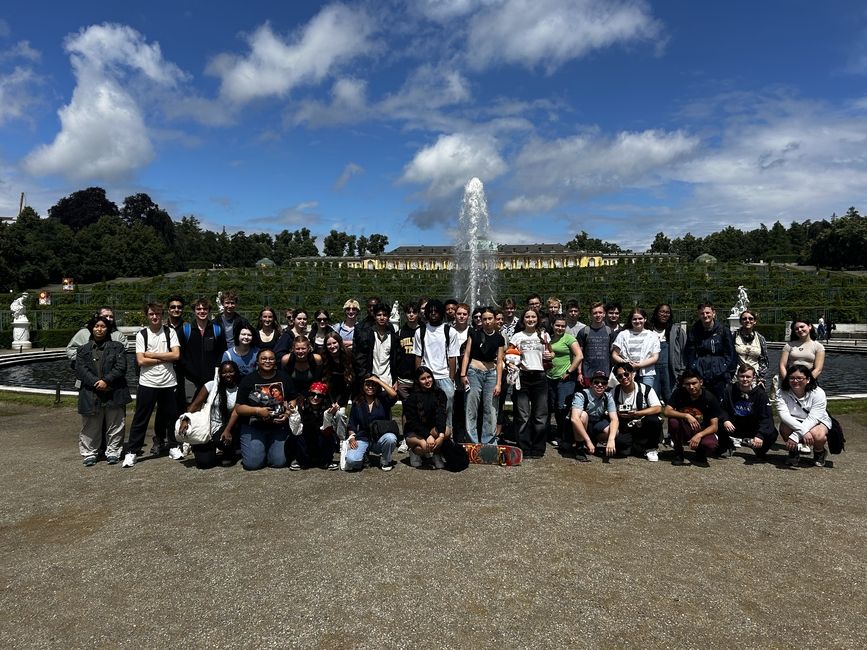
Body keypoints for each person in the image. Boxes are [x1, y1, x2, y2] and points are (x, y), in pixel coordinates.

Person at [122, 303, 182, 467]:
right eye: (151, 314)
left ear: (162, 315)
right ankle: (132, 451)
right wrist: (163, 358)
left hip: (168, 382)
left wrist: (152, 355)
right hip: (147, 382)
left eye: (157, 313)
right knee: (141, 418)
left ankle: (173, 445)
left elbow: (176, 355)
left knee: (171, 417)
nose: (155, 317)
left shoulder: (170, 332)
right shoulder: (142, 334)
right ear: (147, 316)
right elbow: (141, 360)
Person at [75, 315, 132, 466]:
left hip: (114, 390)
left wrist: (107, 380)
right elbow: (81, 369)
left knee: (116, 423)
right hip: (91, 391)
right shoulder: (83, 349)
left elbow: (121, 367)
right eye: (96, 326)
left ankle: (113, 451)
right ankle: (89, 452)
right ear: (91, 329)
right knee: (90, 424)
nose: (99, 329)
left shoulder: (117, 347)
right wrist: (96, 382)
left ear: (108, 329)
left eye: (103, 326)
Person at [234, 349, 297, 470]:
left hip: (278, 426)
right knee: (253, 464)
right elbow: (239, 408)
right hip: (254, 427)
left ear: (275, 361)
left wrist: (288, 413)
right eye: (263, 358)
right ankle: (259, 448)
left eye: (271, 358)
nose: (267, 361)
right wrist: (257, 411)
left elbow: (292, 399)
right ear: (257, 361)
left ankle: (269, 448)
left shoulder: (284, 377)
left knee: (279, 462)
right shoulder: (248, 380)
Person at [180, 360, 242, 469]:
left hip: (225, 426)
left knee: (224, 450)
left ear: (236, 372)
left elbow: (236, 413)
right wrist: (185, 418)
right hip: (207, 424)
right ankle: (208, 449)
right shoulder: (211, 385)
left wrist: (227, 430)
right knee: (204, 463)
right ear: (220, 374)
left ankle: (230, 452)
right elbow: (195, 404)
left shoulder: (239, 390)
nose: (227, 375)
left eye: (231, 371)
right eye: (224, 372)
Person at [509, 309, 553, 458]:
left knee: (540, 414)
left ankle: (538, 448)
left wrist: (551, 355)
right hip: (523, 376)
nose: (530, 319)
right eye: (527, 316)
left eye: (533, 316)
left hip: (540, 376)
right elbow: (509, 355)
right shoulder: (517, 336)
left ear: (538, 319)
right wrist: (511, 364)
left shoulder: (544, 335)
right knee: (523, 414)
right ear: (523, 319)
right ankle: (524, 447)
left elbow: (550, 353)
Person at [412, 299, 460, 433]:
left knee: (447, 409)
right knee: (426, 409)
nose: (433, 314)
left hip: (444, 376)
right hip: (427, 376)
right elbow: (418, 356)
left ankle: (447, 436)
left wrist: (450, 378)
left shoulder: (449, 331)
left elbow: (452, 357)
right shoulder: (420, 331)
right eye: (430, 311)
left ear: (441, 312)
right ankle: (427, 437)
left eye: (436, 311)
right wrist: (418, 376)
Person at [459, 306, 505, 444]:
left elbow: (500, 361)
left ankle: (488, 441)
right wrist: (463, 374)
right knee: (471, 408)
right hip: (474, 372)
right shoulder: (474, 333)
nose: (487, 321)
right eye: (484, 319)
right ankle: (472, 440)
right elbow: (467, 354)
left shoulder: (499, 338)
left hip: (491, 374)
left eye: (490, 318)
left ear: (495, 320)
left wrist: (498, 383)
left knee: (490, 409)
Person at [777, 364, 832, 467]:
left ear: (808, 379)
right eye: (792, 378)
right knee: (784, 428)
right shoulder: (781, 392)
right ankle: (794, 452)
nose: (795, 381)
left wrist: (795, 435)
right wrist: (803, 432)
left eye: (799, 378)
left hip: (817, 421)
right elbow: (784, 415)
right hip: (794, 419)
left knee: (818, 435)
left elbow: (814, 417)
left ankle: (819, 452)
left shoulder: (818, 393)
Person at [664, 369, 722, 466]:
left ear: (701, 382)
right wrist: (686, 416)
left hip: (701, 429)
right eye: (687, 384)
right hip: (683, 427)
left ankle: (700, 453)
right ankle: (679, 453)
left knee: (711, 445)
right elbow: (666, 411)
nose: (691, 387)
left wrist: (699, 435)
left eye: (694, 383)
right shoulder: (679, 393)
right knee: (673, 421)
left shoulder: (710, 398)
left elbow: (714, 426)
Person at [720, 365, 777, 460]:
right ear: (737, 376)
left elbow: (767, 417)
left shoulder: (761, 394)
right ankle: (727, 445)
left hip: (753, 427)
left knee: (772, 432)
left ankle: (760, 450)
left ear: (753, 377)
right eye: (742, 376)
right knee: (717, 423)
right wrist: (725, 420)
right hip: (734, 426)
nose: (745, 379)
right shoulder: (729, 390)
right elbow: (722, 409)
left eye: (748, 377)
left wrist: (760, 435)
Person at [344, 375, 399, 472]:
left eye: (374, 385)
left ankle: (385, 460)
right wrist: (352, 437)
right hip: (363, 438)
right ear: (362, 386)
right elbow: (352, 423)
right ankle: (364, 458)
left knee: (391, 438)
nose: (370, 387)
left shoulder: (383, 399)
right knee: (351, 461)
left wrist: (378, 380)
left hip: (380, 438)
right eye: (367, 384)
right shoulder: (357, 402)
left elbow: (394, 394)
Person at [683, 302, 736, 401]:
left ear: (714, 313)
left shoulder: (724, 330)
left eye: (707, 312)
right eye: (702, 313)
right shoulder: (694, 331)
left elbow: (730, 353)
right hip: (701, 372)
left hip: (720, 374)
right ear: (698, 315)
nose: (705, 315)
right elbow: (689, 353)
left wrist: (726, 370)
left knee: (721, 403)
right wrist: (694, 367)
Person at [180, 297, 227, 403]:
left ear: (209, 311)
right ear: (194, 311)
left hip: (211, 378)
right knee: (190, 409)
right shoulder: (186, 330)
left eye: (205, 309)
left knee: (210, 407)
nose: (202, 311)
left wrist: (215, 370)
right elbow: (181, 355)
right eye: (199, 309)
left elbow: (222, 352)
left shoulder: (217, 329)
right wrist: (190, 371)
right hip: (190, 379)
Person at [545, 313, 582, 448]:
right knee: (552, 407)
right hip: (550, 377)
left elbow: (579, 356)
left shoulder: (569, 338)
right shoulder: (549, 339)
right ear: (552, 326)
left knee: (562, 408)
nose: (560, 328)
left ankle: (565, 436)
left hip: (565, 379)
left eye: (562, 326)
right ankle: (554, 434)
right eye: (557, 325)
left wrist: (569, 371)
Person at [286, 381, 340, 470]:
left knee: (328, 435)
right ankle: (301, 460)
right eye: (312, 394)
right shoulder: (301, 406)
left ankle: (325, 461)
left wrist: (328, 415)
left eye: (320, 395)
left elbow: (327, 431)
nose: (315, 397)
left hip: (321, 441)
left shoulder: (328, 408)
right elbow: (296, 431)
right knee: (297, 435)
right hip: (305, 441)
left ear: (323, 397)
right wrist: (294, 414)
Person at [404, 366, 449, 469]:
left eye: (429, 377)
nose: (427, 381)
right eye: (423, 379)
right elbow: (412, 422)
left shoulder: (440, 393)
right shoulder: (411, 398)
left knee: (446, 431)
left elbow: (441, 415)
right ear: (418, 381)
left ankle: (436, 455)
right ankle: (415, 452)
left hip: (432, 429)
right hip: (414, 431)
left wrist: (440, 436)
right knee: (424, 446)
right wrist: (427, 436)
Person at [570, 370, 618, 462]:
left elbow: (615, 419)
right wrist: (587, 440)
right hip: (579, 425)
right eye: (596, 382)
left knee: (614, 431)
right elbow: (574, 419)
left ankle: (594, 442)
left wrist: (611, 440)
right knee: (582, 416)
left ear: (606, 385)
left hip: (595, 423)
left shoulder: (608, 396)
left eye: (603, 383)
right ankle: (580, 447)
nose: (600, 385)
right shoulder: (582, 394)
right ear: (591, 384)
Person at [611, 308, 660, 388]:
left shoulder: (652, 335)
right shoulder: (623, 334)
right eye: (634, 319)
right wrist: (626, 364)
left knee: (644, 396)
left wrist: (639, 365)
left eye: (640, 318)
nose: (637, 321)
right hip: (626, 373)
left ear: (645, 319)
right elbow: (614, 355)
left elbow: (655, 357)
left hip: (646, 373)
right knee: (628, 396)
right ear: (631, 320)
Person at [353, 304, 400, 387]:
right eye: (379, 315)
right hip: (370, 381)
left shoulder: (393, 337)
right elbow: (360, 359)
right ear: (374, 316)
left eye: (385, 315)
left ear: (388, 317)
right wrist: (365, 377)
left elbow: (395, 359)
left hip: (388, 381)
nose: (382, 318)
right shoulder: (366, 335)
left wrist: (395, 378)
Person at [649, 303, 685, 404]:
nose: (664, 314)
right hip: (652, 369)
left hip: (670, 370)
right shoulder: (648, 330)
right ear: (656, 313)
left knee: (671, 399)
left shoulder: (676, 330)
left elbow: (683, 350)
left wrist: (682, 370)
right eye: (662, 312)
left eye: (667, 312)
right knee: (652, 398)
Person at [576, 301, 614, 386]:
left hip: (606, 373)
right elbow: (579, 354)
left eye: (600, 312)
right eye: (595, 313)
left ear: (604, 314)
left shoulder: (609, 331)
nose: (598, 315)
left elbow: (613, 354)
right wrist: (579, 373)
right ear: (590, 315)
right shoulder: (584, 332)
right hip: (588, 373)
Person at [732, 309, 769, 387]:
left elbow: (764, 360)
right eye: (744, 319)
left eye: (750, 318)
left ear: (755, 321)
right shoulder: (733, 336)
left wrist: (761, 377)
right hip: (737, 377)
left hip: (755, 378)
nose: (747, 320)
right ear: (741, 322)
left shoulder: (760, 338)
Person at [395, 301, 422, 401]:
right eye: (408, 312)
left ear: (418, 314)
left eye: (414, 312)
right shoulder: (400, 333)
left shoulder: (423, 331)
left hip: (419, 378)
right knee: (406, 408)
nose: (411, 315)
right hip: (403, 378)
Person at [321, 331, 355, 406]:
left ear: (339, 342)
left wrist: (339, 403)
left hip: (345, 390)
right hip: (329, 390)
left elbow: (351, 380)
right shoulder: (323, 358)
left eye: (334, 343)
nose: (332, 346)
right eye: (329, 344)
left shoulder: (349, 355)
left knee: (340, 412)